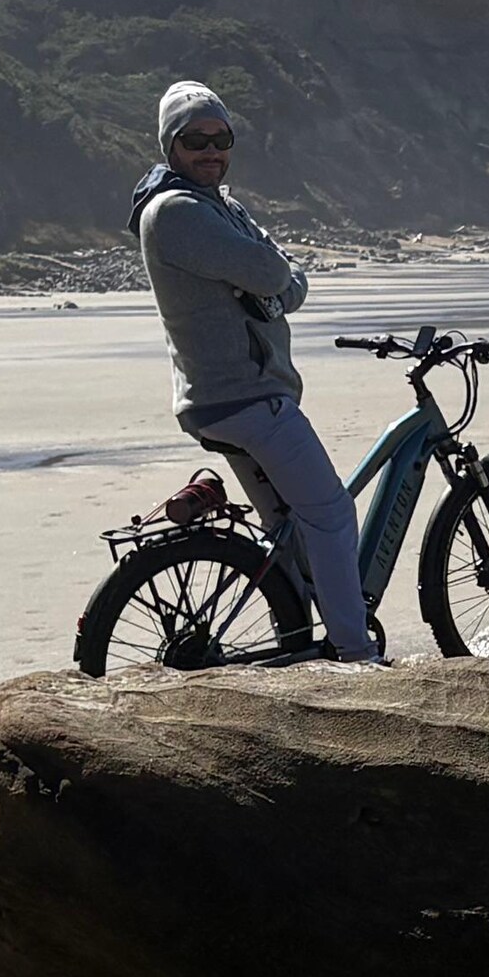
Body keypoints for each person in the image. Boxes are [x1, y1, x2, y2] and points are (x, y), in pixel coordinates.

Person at [127, 80, 383, 664]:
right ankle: (355, 652)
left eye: (221, 139)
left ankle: (298, 632)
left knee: (291, 528)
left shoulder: (218, 204)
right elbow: (274, 275)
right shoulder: (177, 212)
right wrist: (269, 279)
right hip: (245, 399)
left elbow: (275, 273)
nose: (211, 150)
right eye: (195, 140)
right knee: (332, 513)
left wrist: (270, 277)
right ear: (171, 145)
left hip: (225, 397)